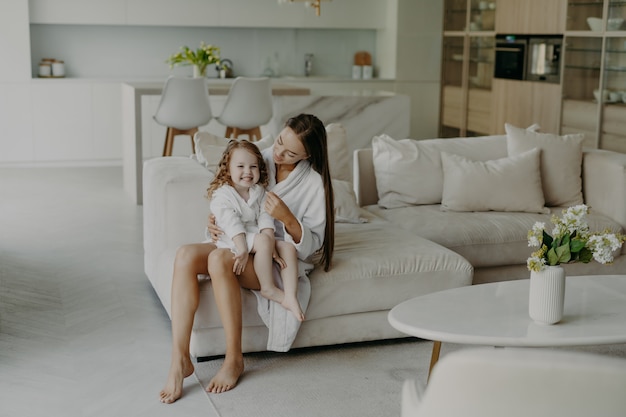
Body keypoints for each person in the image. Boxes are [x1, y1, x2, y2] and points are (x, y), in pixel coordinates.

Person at [159, 114, 334, 403]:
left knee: (218, 261)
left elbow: (312, 248)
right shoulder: (258, 158)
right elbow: (228, 195)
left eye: (290, 153)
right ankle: (179, 360)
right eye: (279, 141)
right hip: (242, 242)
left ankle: (233, 359)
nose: (278, 153)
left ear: (308, 155)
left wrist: (287, 218)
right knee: (185, 255)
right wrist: (215, 223)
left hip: (274, 258)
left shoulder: (313, 184)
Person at [206, 139, 305, 322]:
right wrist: (242, 248)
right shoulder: (222, 195)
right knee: (262, 240)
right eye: (240, 166)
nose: (247, 172)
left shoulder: (259, 192)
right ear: (228, 168)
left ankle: (290, 295)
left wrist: (272, 246)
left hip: (256, 238)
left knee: (288, 247)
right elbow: (231, 223)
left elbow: (265, 218)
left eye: (253, 167)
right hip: (232, 239)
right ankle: (268, 287)